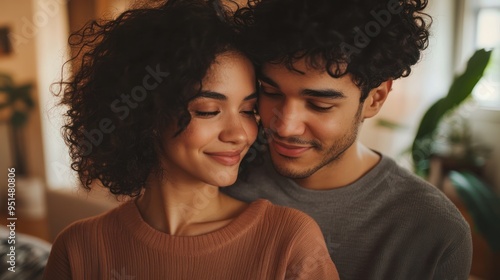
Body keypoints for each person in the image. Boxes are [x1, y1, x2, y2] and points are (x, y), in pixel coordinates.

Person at [42, 0, 339, 279]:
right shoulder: (78, 248)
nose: (240, 134)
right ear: (149, 114)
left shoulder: (290, 242)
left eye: (248, 110)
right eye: (209, 111)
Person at [223, 0, 473, 279]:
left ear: (375, 99)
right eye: (271, 92)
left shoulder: (434, 232)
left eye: (319, 105)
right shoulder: (222, 176)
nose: (284, 126)